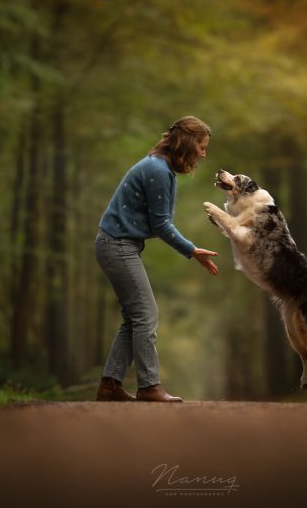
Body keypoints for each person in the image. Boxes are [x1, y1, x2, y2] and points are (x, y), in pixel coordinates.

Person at [94, 116, 219, 403]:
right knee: (146, 314)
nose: (203, 153)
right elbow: (161, 225)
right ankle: (149, 386)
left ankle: (110, 385)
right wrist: (192, 250)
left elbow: (156, 222)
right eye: (201, 146)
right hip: (117, 246)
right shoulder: (158, 170)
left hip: (116, 245)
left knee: (134, 317)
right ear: (187, 144)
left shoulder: (158, 167)